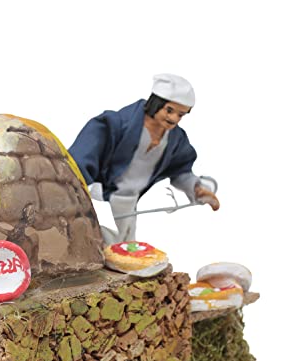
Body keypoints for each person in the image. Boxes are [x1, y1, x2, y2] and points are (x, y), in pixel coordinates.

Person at [69, 73, 220, 244]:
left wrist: (197, 189)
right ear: (156, 104)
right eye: (169, 110)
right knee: (92, 238)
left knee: (126, 246)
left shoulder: (176, 139)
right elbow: (81, 158)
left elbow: (180, 171)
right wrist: (76, 192)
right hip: (99, 196)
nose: (173, 118)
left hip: (129, 202)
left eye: (180, 115)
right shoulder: (115, 124)